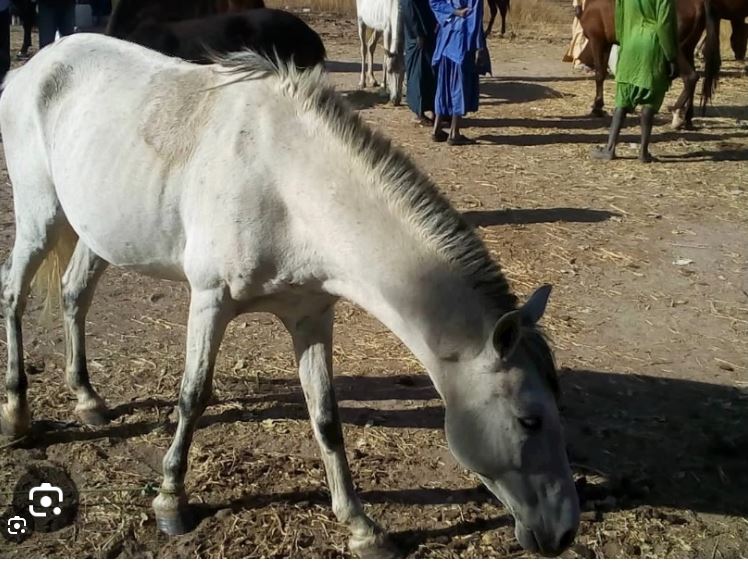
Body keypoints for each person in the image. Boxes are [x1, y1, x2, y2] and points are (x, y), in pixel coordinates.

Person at [591, 0, 678, 163]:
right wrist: (672, 56)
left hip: (630, 44)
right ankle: (643, 152)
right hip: (653, 46)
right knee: (650, 102)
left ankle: (609, 149)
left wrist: (626, 41)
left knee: (622, 101)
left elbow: (620, 19)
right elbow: (664, 25)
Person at [429, 0, 488, 145]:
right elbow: (475, 18)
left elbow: (434, 3)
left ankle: (436, 129)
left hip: (446, 37)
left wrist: (452, 12)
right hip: (463, 40)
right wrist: (479, 47)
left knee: (443, 86)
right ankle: (454, 133)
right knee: (460, 87)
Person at [402, 0, 438, 125]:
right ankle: (419, 113)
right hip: (417, 39)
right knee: (418, 75)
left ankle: (435, 111)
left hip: (429, 35)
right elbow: (409, 10)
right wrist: (418, 33)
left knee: (431, 74)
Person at [562, 0, 591, 71]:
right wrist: (578, 6)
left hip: (594, 12)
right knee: (581, 36)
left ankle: (590, 62)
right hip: (584, 12)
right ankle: (578, 61)